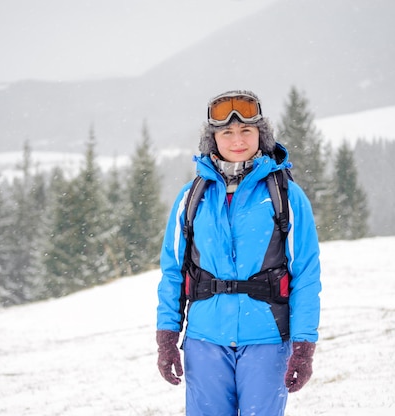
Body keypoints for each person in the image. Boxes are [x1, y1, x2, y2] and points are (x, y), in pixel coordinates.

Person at [156, 90, 322, 415]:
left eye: (246, 130)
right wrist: (167, 338)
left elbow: (305, 273)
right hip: (205, 340)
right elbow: (173, 271)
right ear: (213, 138)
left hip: (267, 339)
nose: (237, 140)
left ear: (261, 134)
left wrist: (303, 347)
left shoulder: (286, 195)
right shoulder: (191, 197)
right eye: (226, 132)